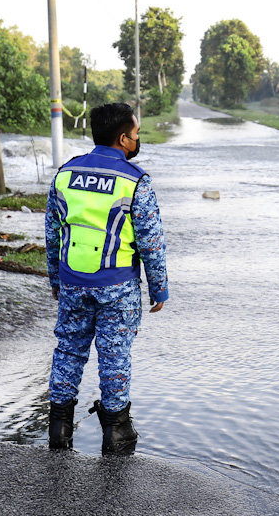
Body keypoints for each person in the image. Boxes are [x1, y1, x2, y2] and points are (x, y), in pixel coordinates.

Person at [46, 102, 169, 455]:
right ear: (122, 138)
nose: (137, 139)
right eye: (136, 134)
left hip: (72, 281)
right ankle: (116, 433)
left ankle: (59, 429)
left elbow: (53, 232)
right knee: (114, 355)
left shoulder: (65, 173)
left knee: (68, 350)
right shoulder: (135, 180)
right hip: (117, 285)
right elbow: (151, 240)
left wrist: (56, 277)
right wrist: (158, 287)